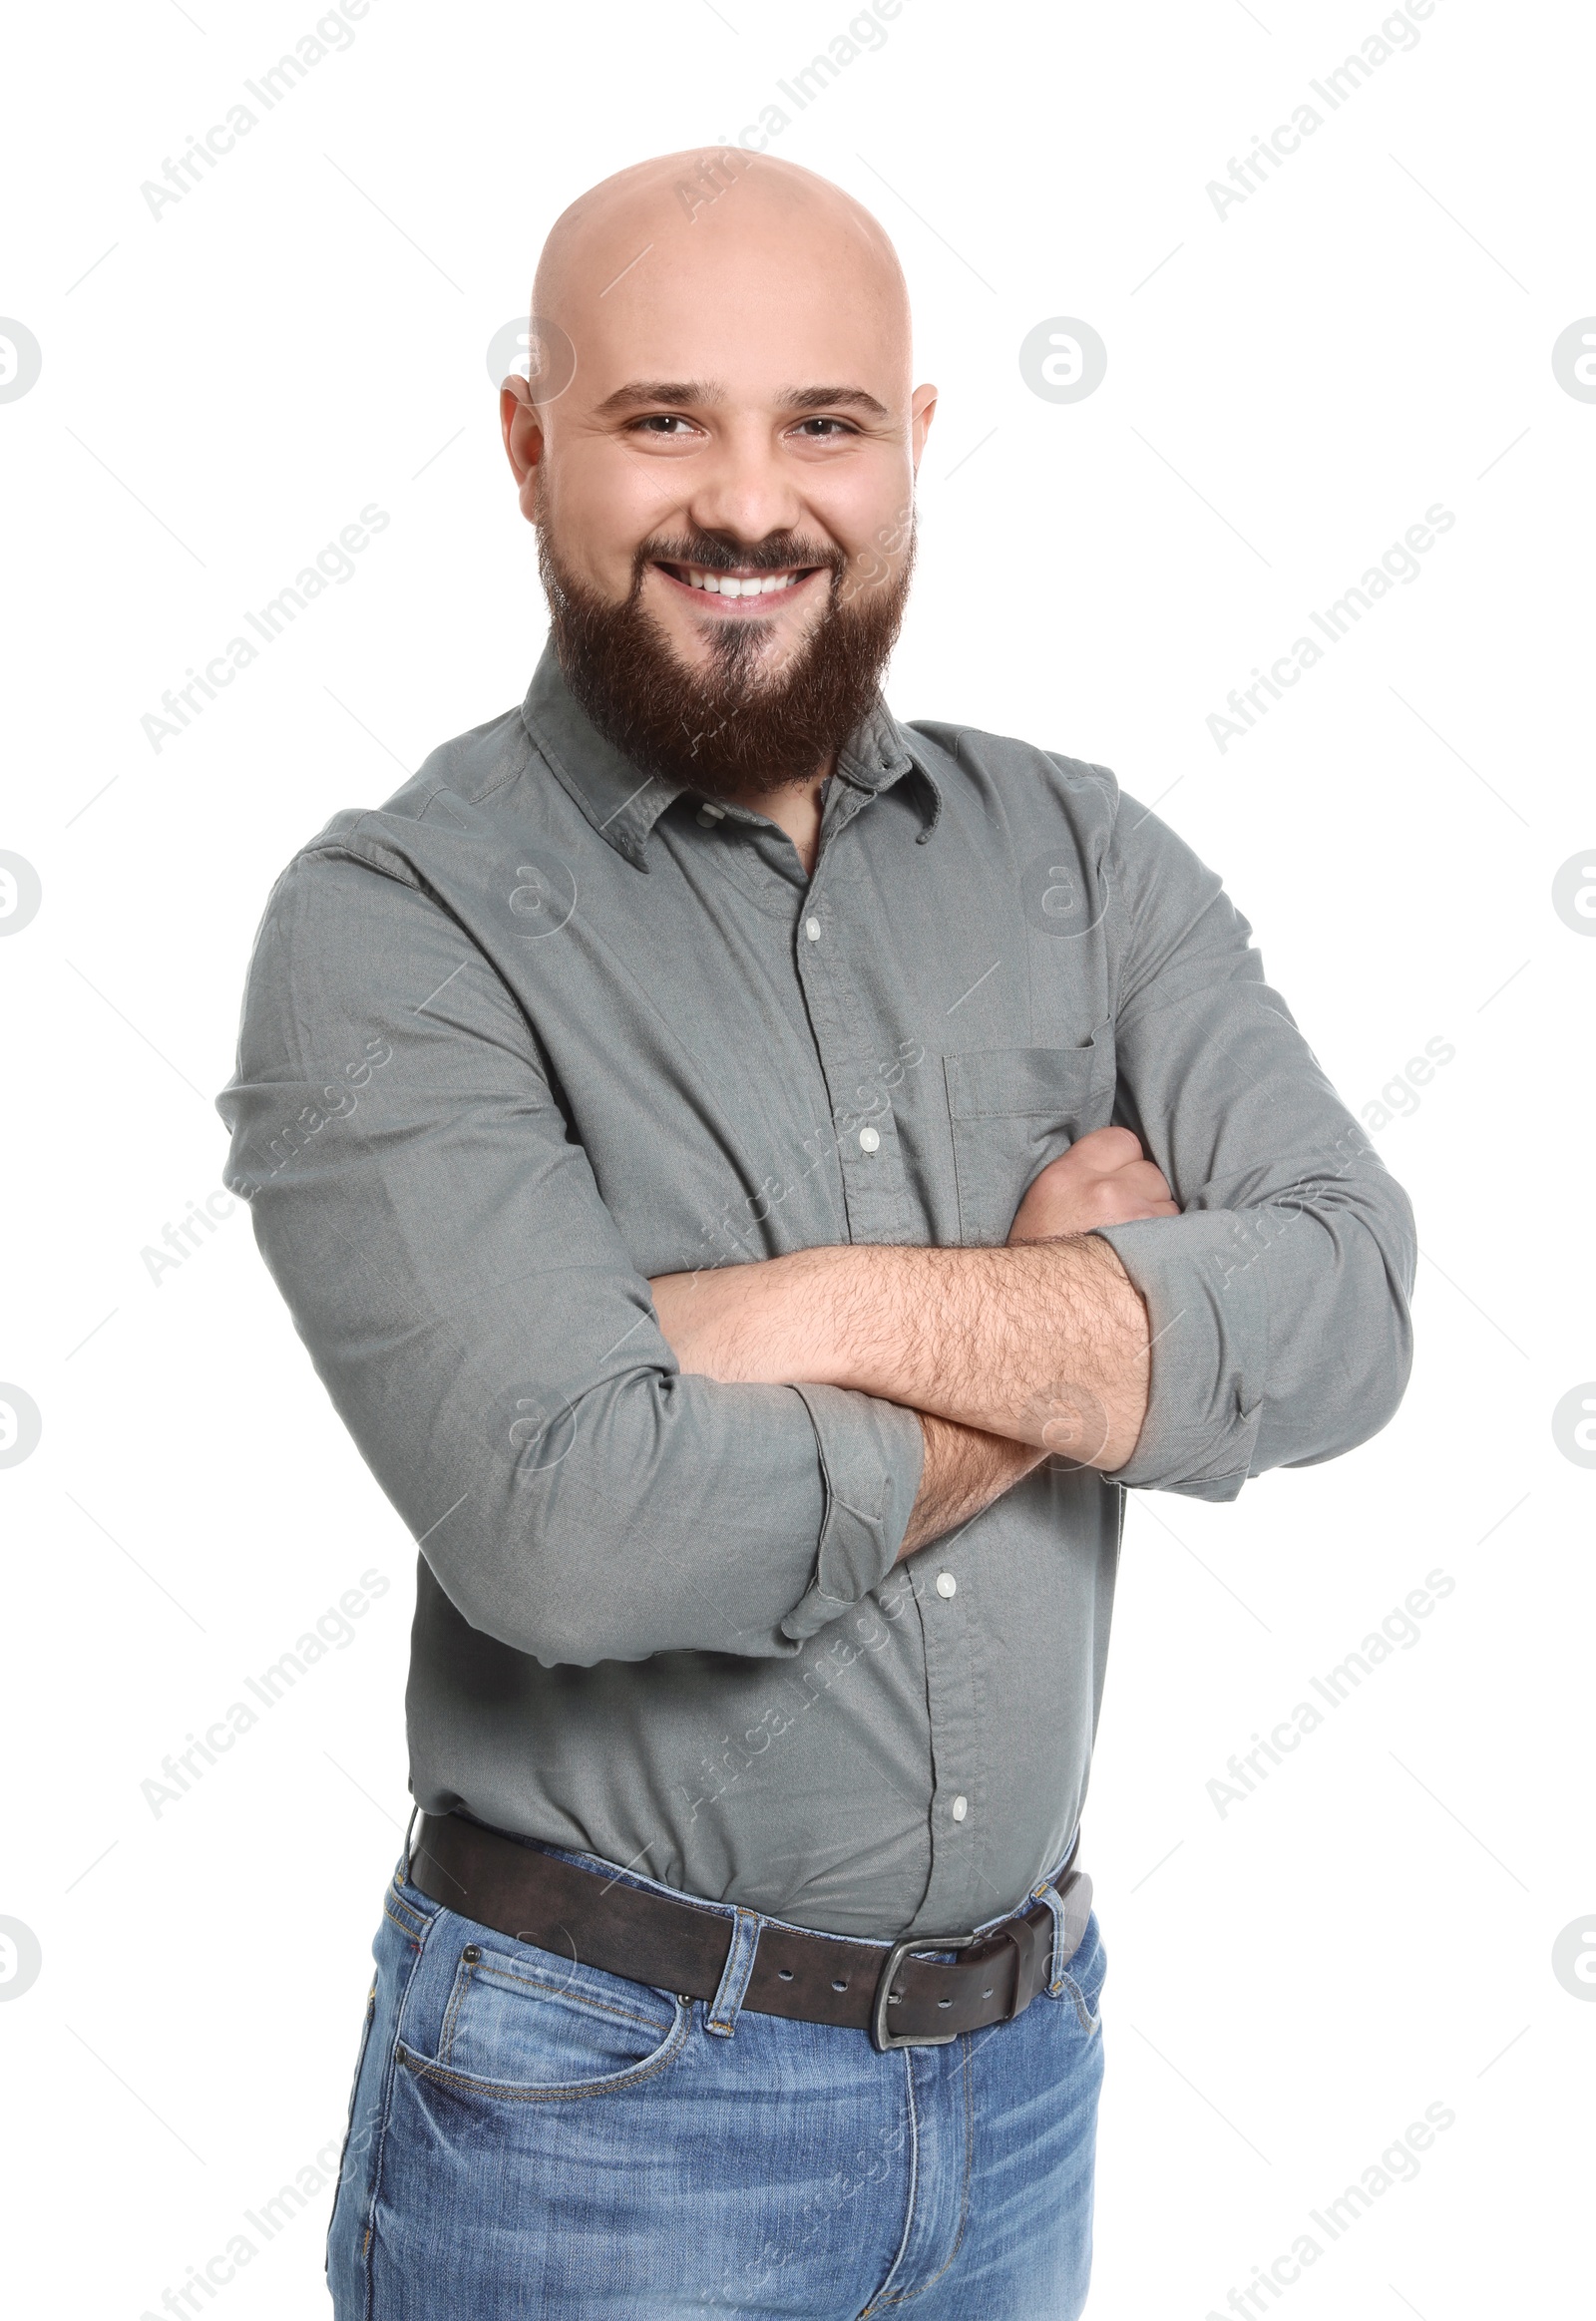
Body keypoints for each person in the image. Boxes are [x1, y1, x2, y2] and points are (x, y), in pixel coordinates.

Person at [216, 148, 1415, 2320]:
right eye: (665, 418)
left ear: (911, 450)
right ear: (527, 443)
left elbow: (1342, 1309)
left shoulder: (1078, 853)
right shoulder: (393, 926)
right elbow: (574, 1530)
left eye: (822, 425)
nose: (747, 505)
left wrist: (804, 1315)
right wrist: (1084, 1336)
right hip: (597, 2109)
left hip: (1026, 2071)